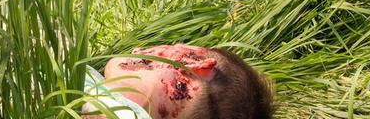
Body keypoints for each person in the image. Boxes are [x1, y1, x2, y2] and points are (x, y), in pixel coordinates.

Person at [85, 44, 275, 119]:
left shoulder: (115, 111)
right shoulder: (93, 82)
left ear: (195, 62)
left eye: (174, 47)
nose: (138, 50)